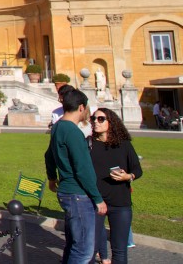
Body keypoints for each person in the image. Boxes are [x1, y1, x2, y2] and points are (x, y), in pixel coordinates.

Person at [45, 88, 106, 264]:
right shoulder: (72, 131)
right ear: (81, 107)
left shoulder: (57, 127)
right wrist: (97, 198)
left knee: (73, 244)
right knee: (84, 252)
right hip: (78, 194)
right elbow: (83, 169)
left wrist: (51, 178)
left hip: (66, 191)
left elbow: (48, 156)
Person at [90, 108, 142, 264]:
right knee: (89, 249)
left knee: (119, 251)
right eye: (93, 118)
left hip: (120, 203)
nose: (95, 122)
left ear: (111, 122)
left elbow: (137, 169)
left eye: (100, 119)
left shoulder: (124, 144)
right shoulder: (89, 143)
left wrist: (128, 176)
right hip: (96, 202)